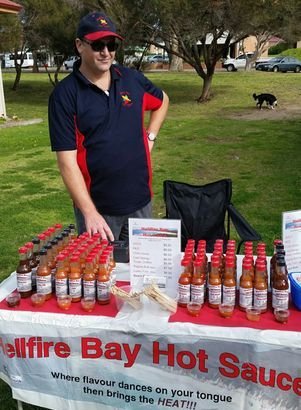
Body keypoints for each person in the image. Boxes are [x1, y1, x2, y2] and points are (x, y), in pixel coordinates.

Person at [48, 11, 169, 241]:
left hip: (141, 202)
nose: (106, 52)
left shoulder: (132, 79)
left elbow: (163, 101)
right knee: (101, 275)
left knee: (144, 275)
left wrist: (150, 137)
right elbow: (67, 163)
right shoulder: (64, 95)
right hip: (99, 212)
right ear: (79, 45)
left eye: (111, 45)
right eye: (97, 45)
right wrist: (89, 212)